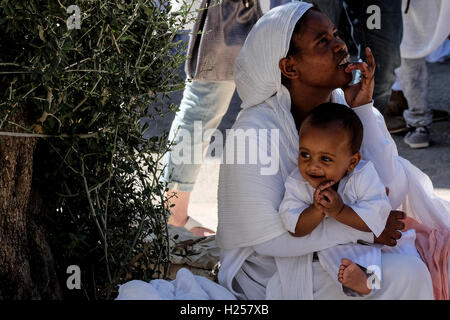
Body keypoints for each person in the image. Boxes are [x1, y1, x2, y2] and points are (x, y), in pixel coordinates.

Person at [216, 2, 450, 299]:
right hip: (273, 271)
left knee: (438, 259)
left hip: (344, 252)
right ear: (290, 67)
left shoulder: (340, 106)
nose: (341, 45)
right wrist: (364, 229)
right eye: (322, 41)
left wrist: (364, 109)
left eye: (336, 34)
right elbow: (269, 241)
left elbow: (392, 191)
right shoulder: (253, 132)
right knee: (408, 273)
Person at [279, 102, 418, 296]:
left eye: (325, 159)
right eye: (305, 154)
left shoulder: (363, 175)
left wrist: (339, 211)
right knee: (333, 257)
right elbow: (294, 227)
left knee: (375, 254)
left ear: (352, 161)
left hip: (367, 241)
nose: (312, 166)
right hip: (327, 246)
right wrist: (316, 210)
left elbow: (376, 219)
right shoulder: (296, 182)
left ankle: (366, 279)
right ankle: (359, 281)